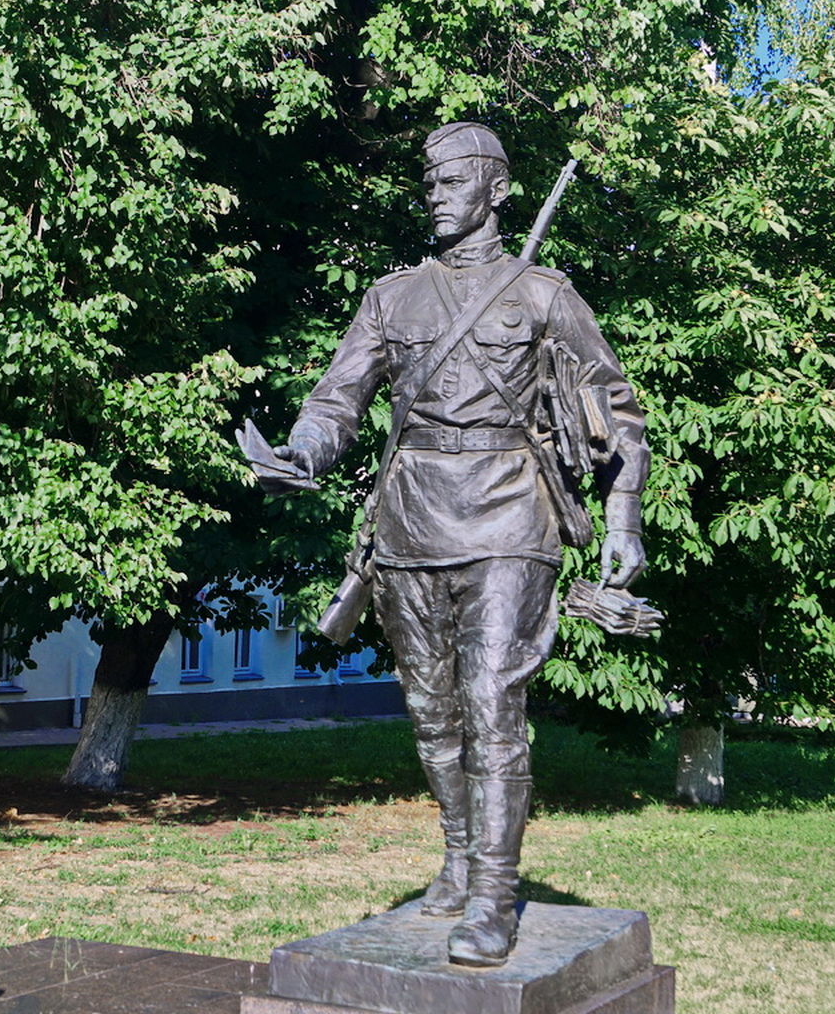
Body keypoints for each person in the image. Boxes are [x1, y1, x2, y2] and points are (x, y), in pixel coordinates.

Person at [270, 122, 648, 965]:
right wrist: (301, 452)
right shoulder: (391, 296)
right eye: (429, 180)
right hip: (408, 519)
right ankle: (454, 852)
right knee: (432, 712)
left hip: (513, 515)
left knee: (489, 701)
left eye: (449, 180)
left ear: (495, 189)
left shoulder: (546, 295)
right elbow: (338, 400)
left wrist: (622, 519)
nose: (433, 194)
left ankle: (491, 893)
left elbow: (620, 415)